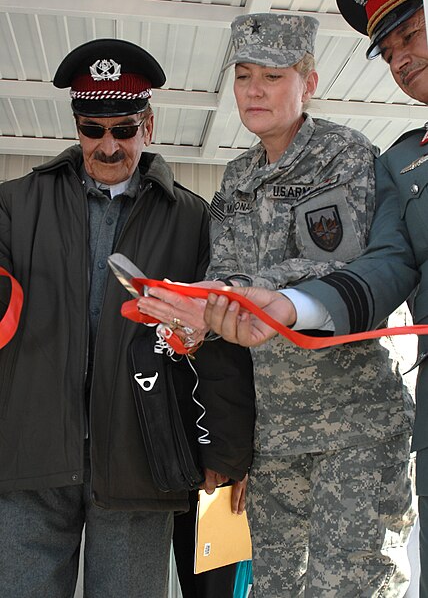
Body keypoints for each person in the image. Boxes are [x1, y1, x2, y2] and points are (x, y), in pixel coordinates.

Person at [135, 12, 416, 597]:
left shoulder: (347, 156)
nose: (254, 90)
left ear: (308, 83)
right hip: (273, 436)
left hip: (354, 425)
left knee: (352, 586)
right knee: (273, 589)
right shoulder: (235, 182)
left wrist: (234, 298)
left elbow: (347, 267)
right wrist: (190, 321)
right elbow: (222, 283)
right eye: (243, 76)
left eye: (273, 74)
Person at [0, 38, 255, 598]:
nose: (108, 145)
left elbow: (223, 345)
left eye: (124, 128)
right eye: (93, 128)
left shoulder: (195, 220)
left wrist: (228, 456)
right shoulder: (13, 207)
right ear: (76, 126)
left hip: (142, 459)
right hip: (31, 461)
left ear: (149, 123)